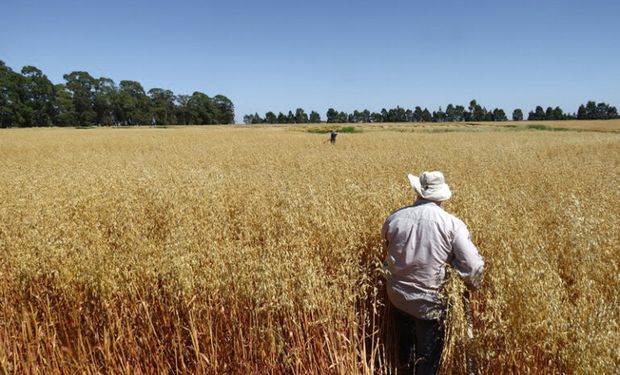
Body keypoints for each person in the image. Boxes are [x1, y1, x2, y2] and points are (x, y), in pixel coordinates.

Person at [382, 171, 484, 375]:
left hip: (397, 296)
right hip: (429, 304)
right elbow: (473, 267)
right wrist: (471, 284)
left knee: (406, 351)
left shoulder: (394, 218)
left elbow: (388, 249)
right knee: (428, 360)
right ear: (442, 196)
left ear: (418, 191)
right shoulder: (453, 224)